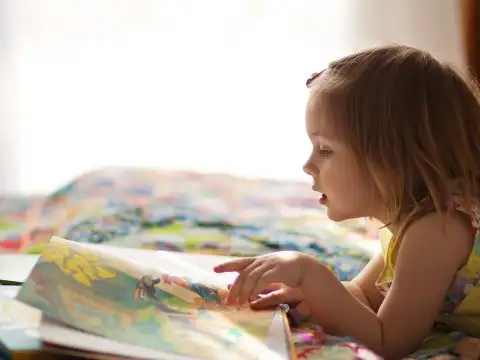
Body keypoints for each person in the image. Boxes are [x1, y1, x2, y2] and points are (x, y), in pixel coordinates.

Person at [213, 45, 480, 359]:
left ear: (390, 158)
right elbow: (363, 297)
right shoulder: (414, 224)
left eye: (325, 149)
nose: (308, 165)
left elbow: (390, 341)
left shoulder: (438, 230)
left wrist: (310, 273)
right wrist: (305, 295)